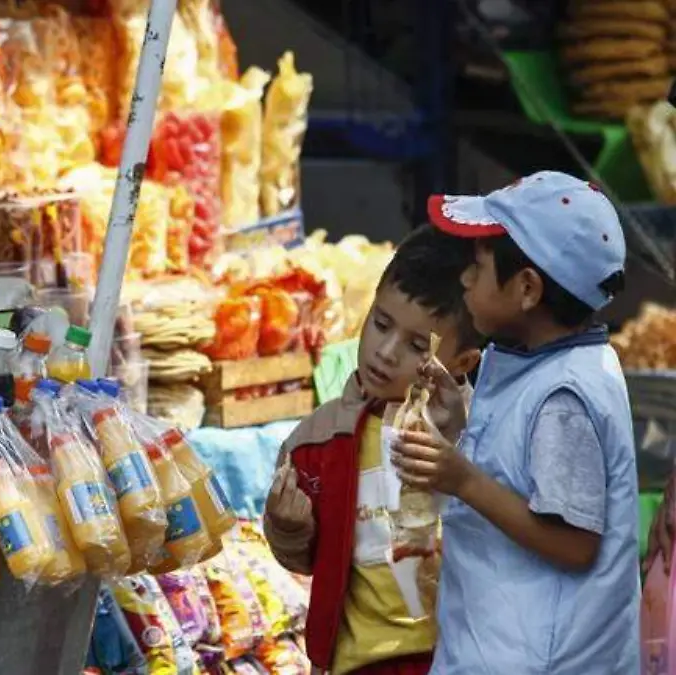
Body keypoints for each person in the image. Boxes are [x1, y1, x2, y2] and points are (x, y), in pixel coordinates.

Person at [393, 171, 639, 673]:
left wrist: (459, 477)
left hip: (543, 658)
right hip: (504, 643)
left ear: (527, 288)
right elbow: (524, 473)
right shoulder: (540, 362)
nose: (464, 279)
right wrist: (461, 423)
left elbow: (574, 544)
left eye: (478, 268)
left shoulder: (564, 396)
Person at [264, 225, 484, 675]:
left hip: (453, 658)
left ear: (461, 362)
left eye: (417, 346)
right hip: (354, 661)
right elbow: (305, 559)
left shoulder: (478, 435)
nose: (385, 352)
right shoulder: (320, 438)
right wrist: (287, 528)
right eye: (380, 324)